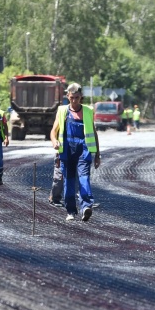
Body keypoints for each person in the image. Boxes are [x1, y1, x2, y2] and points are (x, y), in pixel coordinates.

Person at [50, 83, 101, 222]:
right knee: (69, 181)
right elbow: (53, 132)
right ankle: (71, 210)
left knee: (84, 178)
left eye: (77, 97)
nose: (74, 100)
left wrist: (97, 154)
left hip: (83, 149)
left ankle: (86, 207)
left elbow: (94, 133)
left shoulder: (88, 111)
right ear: (68, 96)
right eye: (72, 97)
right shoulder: (62, 111)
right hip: (67, 149)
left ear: (81, 97)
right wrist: (55, 142)